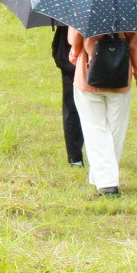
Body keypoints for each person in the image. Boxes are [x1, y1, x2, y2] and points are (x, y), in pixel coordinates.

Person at [69, 27, 137, 197]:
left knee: (94, 129)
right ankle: (102, 178)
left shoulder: (84, 6)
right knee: (115, 131)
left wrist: (75, 55)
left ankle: (106, 183)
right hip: (120, 77)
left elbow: (75, 39)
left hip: (87, 76)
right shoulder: (129, 11)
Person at [51, 24, 85, 168]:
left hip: (79, 54)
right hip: (71, 54)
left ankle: (77, 157)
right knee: (72, 105)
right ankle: (75, 156)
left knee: (73, 106)